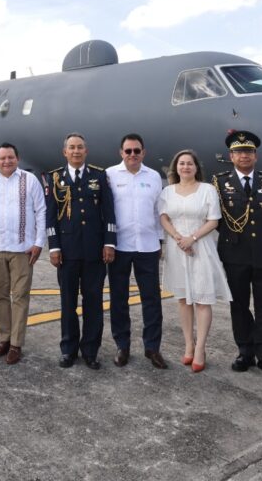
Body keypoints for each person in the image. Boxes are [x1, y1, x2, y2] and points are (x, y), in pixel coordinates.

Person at [213, 130, 262, 381]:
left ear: (255, 156)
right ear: (231, 156)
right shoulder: (219, 182)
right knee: (239, 305)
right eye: (238, 152)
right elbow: (215, 219)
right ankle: (245, 351)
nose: (243, 156)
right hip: (234, 254)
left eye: (248, 152)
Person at [42, 133, 115, 370]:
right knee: (67, 303)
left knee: (93, 303)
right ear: (65, 152)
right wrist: (53, 247)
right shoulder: (55, 178)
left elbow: (109, 213)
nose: (76, 151)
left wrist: (109, 243)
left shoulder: (99, 176)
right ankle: (68, 350)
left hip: (95, 252)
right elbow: (50, 217)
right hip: (67, 252)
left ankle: (91, 351)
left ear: (86, 151)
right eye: (72, 148)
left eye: (80, 148)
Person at [158, 149, 230, 373]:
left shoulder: (207, 190)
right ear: (176, 167)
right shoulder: (168, 191)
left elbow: (214, 220)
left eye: (190, 164)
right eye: (181, 164)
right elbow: (163, 217)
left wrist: (192, 239)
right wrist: (179, 239)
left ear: (196, 167)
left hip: (201, 247)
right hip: (177, 248)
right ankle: (188, 345)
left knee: (202, 300)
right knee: (183, 300)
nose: (185, 167)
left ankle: (200, 348)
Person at [0, 143, 46, 365]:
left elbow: (41, 211)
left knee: (21, 297)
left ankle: (16, 343)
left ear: (18, 158)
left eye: (11, 157)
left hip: (22, 250)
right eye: (3, 158)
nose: (7, 161)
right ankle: (3, 339)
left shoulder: (29, 180)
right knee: (0, 296)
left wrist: (38, 242)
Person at [106, 133, 167, 369]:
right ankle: (123, 346)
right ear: (121, 153)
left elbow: (157, 211)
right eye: (128, 151)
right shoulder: (110, 175)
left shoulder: (153, 177)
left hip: (148, 247)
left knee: (151, 299)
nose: (133, 154)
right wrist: (108, 243)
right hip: (120, 247)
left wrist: (160, 241)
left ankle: (152, 348)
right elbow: (106, 211)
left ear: (144, 152)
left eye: (137, 150)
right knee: (118, 299)